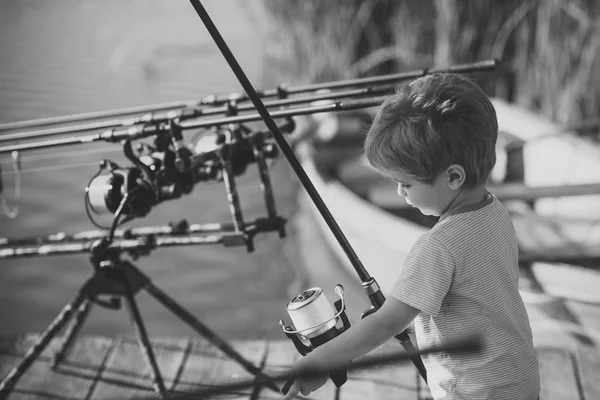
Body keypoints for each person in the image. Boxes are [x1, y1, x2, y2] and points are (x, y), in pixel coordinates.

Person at [283, 73, 540, 400]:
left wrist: (320, 359)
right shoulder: (496, 213)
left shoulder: (437, 247)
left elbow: (384, 324)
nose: (400, 192)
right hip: (520, 382)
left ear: (453, 176)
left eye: (406, 183)